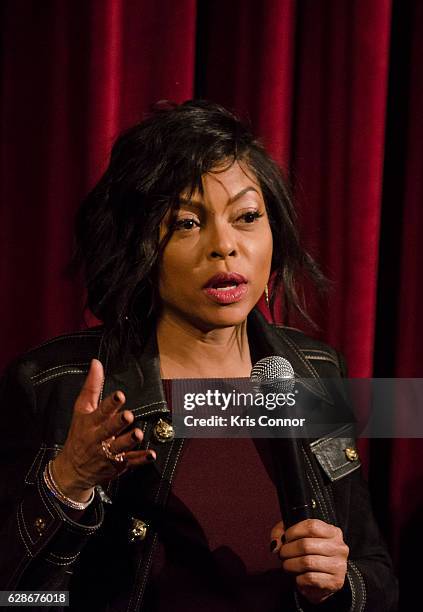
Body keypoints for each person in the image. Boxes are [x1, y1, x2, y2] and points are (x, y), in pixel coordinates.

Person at [0, 100, 398, 611]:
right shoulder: (56, 384)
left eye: (248, 217)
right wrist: (68, 482)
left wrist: (341, 584)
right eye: (187, 223)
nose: (225, 246)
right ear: (139, 243)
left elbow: (377, 572)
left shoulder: (313, 372)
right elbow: (15, 594)